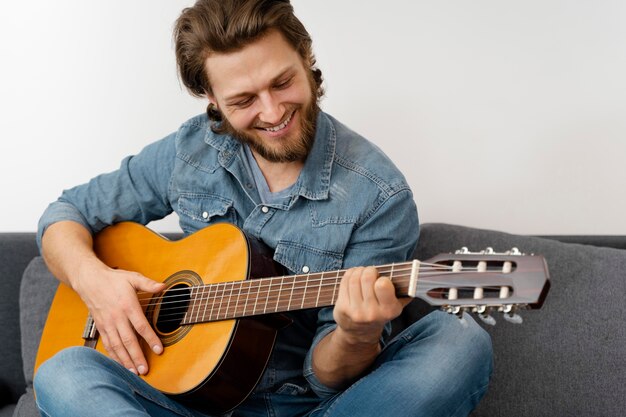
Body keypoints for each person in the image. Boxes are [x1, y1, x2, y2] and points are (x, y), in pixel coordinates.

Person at [34, 1, 493, 416]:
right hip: (179, 405)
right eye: (244, 100)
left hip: (308, 410)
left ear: (306, 57)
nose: (273, 112)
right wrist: (95, 282)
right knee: (64, 373)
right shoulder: (191, 150)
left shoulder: (377, 193)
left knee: (459, 344)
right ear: (211, 99)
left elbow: (328, 376)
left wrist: (356, 335)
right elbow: (64, 214)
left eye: (282, 82)